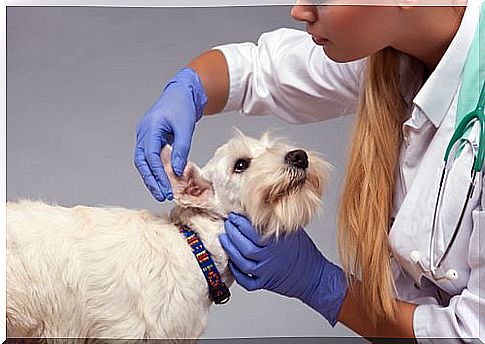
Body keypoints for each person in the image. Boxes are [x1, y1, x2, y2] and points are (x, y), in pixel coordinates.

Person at [134, 1, 484, 341]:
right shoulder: (388, 47)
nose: (298, 10)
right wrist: (188, 88)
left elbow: (471, 335)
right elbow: (259, 70)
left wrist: (321, 284)